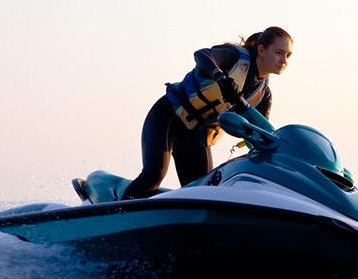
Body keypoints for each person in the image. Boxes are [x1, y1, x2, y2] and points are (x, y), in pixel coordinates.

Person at [121, 26, 293, 200]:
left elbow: (259, 135)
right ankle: (117, 212)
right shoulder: (236, 57)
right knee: (153, 176)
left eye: (288, 55)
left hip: (196, 137)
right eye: (279, 53)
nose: (284, 60)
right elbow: (201, 54)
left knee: (203, 194)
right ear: (261, 50)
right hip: (169, 117)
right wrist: (220, 78)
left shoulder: (263, 95)